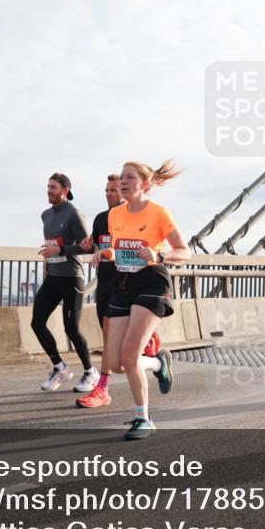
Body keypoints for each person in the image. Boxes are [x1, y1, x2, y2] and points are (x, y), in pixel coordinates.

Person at [95, 160, 190, 440]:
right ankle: (159, 364)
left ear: (144, 184)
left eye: (129, 177)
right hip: (124, 284)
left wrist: (159, 255)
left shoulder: (159, 213)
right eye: (121, 177)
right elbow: (115, 249)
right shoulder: (116, 215)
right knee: (115, 363)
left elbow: (184, 252)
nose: (123, 182)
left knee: (130, 353)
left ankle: (143, 418)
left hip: (152, 283)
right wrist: (104, 254)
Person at [77, 174, 162, 408]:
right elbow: (98, 246)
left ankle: (102, 388)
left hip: (122, 283)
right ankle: (151, 346)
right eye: (106, 190)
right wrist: (89, 247)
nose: (109, 194)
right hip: (104, 282)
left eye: (113, 190)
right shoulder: (101, 219)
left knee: (107, 334)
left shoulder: (131, 219)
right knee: (115, 352)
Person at [34, 173, 98, 392]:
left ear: (65, 190)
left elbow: (87, 247)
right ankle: (60, 367)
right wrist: (49, 262)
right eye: (48, 186)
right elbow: (50, 244)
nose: (49, 190)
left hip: (72, 276)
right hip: (53, 275)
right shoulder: (45, 215)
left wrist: (60, 250)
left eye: (53, 187)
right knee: (37, 322)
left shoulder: (74, 214)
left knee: (71, 328)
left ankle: (90, 372)